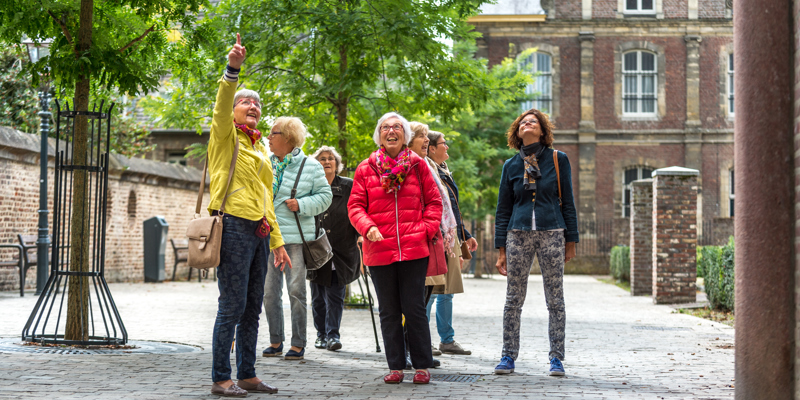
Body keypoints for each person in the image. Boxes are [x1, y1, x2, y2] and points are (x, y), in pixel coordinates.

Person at [209, 33, 292, 397]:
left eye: (256, 103)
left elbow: (267, 199)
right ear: (233, 111)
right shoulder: (224, 136)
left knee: (252, 307)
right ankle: (220, 378)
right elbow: (221, 103)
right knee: (232, 304)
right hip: (232, 227)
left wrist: (277, 242)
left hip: (258, 231)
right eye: (245, 102)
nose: (252, 106)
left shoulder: (259, 149)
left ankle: (247, 374)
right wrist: (233, 70)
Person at [348, 112, 443, 385]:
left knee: (414, 308)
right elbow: (355, 206)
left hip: (414, 249)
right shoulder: (365, 168)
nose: (391, 131)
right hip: (379, 249)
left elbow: (434, 202)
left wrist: (425, 231)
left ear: (405, 135)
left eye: (397, 127)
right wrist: (367, 227)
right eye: (385, 127)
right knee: (388, 310)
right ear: (379, 135)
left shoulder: (417, 165)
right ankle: (396, 366)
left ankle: (422, 365)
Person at [493, 108, 579, 377]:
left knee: (555, 299)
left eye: (532, 121)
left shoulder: (557, 159)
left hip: (552, 232)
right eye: (522, 122)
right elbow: (503, 209)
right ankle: (508, 355)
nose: (527, 124)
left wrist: (571, 241)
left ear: (542, 130)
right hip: (517, 234)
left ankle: (556, 358)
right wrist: (501, 249)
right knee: (513, 299)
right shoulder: (510, 165)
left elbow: (569, 201)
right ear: (517, 133)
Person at [262, 117, 332, 361]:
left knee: (296, 291)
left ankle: (298, 343)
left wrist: (301, 204)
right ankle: (275, 340)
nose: (268, 137)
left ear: (288, 137)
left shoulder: (311, 166)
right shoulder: (264, 163)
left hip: (295, 240)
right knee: (269, 293)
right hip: (268, 239)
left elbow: (325, 197)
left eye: (273, 133)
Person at [425, 129, 479, 356]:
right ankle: (422, 340)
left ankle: (446, 340)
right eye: (443, 143)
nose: (447, 147)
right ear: (431, 148)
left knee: (448, 290)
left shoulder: (444, 172)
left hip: (450, 237)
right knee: (430, 289)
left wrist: (464, 235)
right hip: (436, 237)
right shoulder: (427, 171)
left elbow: (452, 209)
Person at [307, 146, 360, 352]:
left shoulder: (349, 186)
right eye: (322, 159)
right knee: (318, 297)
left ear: (337, 165)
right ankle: (321, 334)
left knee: (336, 295)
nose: (327, 161)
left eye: (331, 159)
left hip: (341, 250)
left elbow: (358, 210)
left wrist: (361, 233)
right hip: (315, 249)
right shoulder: (310, 187)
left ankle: (333, 335)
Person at [407, 122, 450, 366]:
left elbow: (439, 202)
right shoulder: (408, 165)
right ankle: (407, 350)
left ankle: (418, 351)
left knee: (423, 298)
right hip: (416, 239)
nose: (426, 139)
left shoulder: (429, 165)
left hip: (432, 237)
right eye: (421, 135)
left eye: (426, 135)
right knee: (414, 301)